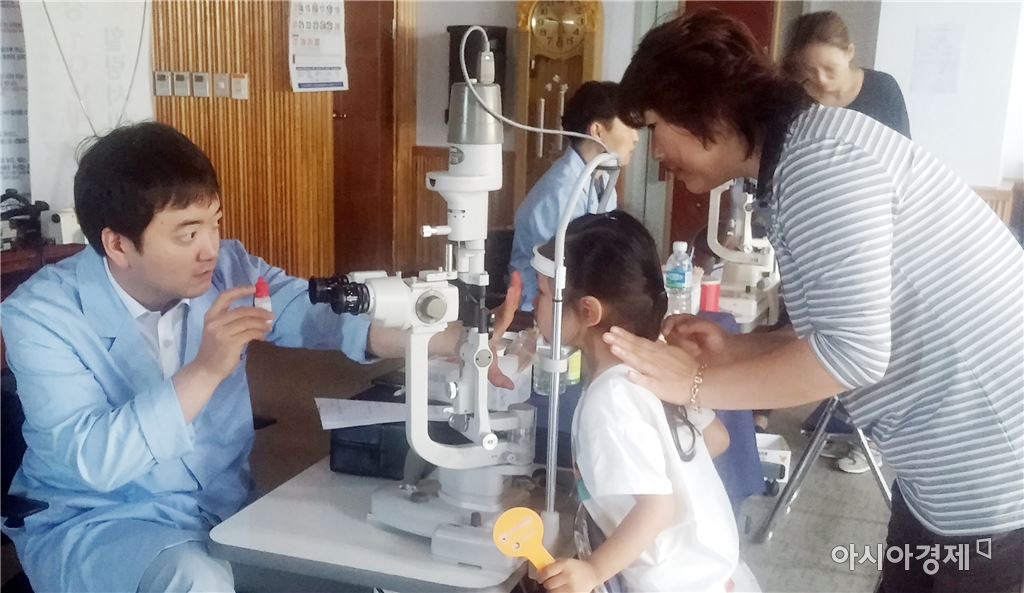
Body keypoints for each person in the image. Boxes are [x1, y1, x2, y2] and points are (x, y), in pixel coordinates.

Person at [0, 122, 519, 593]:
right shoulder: (40, 315)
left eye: (215, 222)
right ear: (117, 245)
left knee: (351, 573)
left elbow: (316, 315)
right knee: (196, 581)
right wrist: (206, 370)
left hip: (221, 506)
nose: (211, 247)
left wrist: (451, 339)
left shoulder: (229, 267)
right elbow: (94, 460)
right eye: (188, 234)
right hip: (98, 520)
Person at [605, 10, 1023, 593]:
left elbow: (852, 356)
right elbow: (840, 330)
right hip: (942, 479)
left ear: (710, 110)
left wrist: (695, 385)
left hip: (997, 486)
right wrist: (735, 349)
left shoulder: (821, 165)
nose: (654, 152)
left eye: (655, 126)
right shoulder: (801, 157)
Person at [531, 212, 756, 593]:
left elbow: (657, 508)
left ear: (588, 311)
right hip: (715, 575)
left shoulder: (610, 400)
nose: (535, 305)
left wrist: (593, 571)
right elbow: (717, 439)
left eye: (542, 293)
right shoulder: (657, 367)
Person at [509, 81, 640, 311]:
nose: (636, 137)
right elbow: (558, 273)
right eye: (629, 126)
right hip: (540, 310)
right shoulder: (559, 192)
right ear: (597, 131)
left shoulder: (602, 180)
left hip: (577, 302)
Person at [783, 10, 910, 139]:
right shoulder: (795, 98)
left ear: (849, 52)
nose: (821, 79)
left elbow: (902, 146)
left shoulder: (882, 88)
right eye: (810, 70)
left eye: (829, 69)